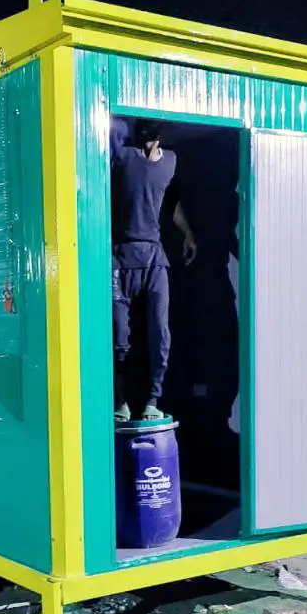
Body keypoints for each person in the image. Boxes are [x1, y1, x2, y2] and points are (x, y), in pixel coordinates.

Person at [111, 118, 197, 422]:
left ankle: (152, 401)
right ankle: (120, 403)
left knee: (160, 332)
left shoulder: (170, 161)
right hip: (120, 258)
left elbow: (170, 202)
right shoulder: (123, 157)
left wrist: (188, 234)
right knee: (119, 336)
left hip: (153, 259)